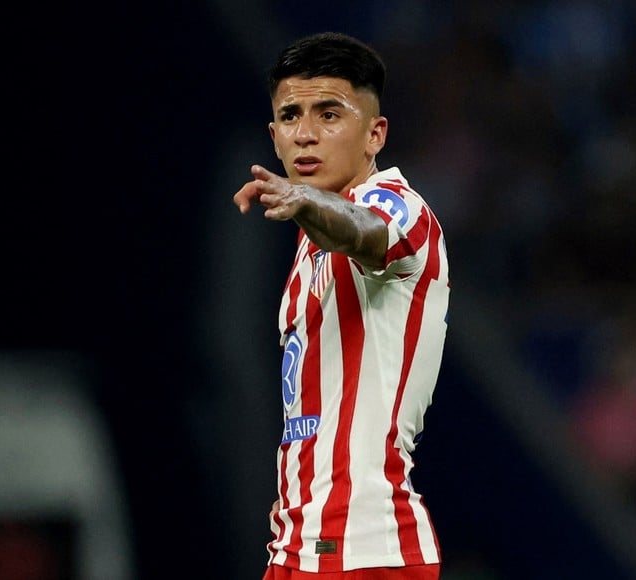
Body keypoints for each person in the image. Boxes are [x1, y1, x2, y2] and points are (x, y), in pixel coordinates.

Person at [233, 32, 451, 580]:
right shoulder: (308, 241)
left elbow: (368, 231)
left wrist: (307, 200)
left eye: (329, 114)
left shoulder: (399, 206)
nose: (305, 134)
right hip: (298, 545)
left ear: (374, 133)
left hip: (364, 552)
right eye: (290, 116)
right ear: (274, 136)